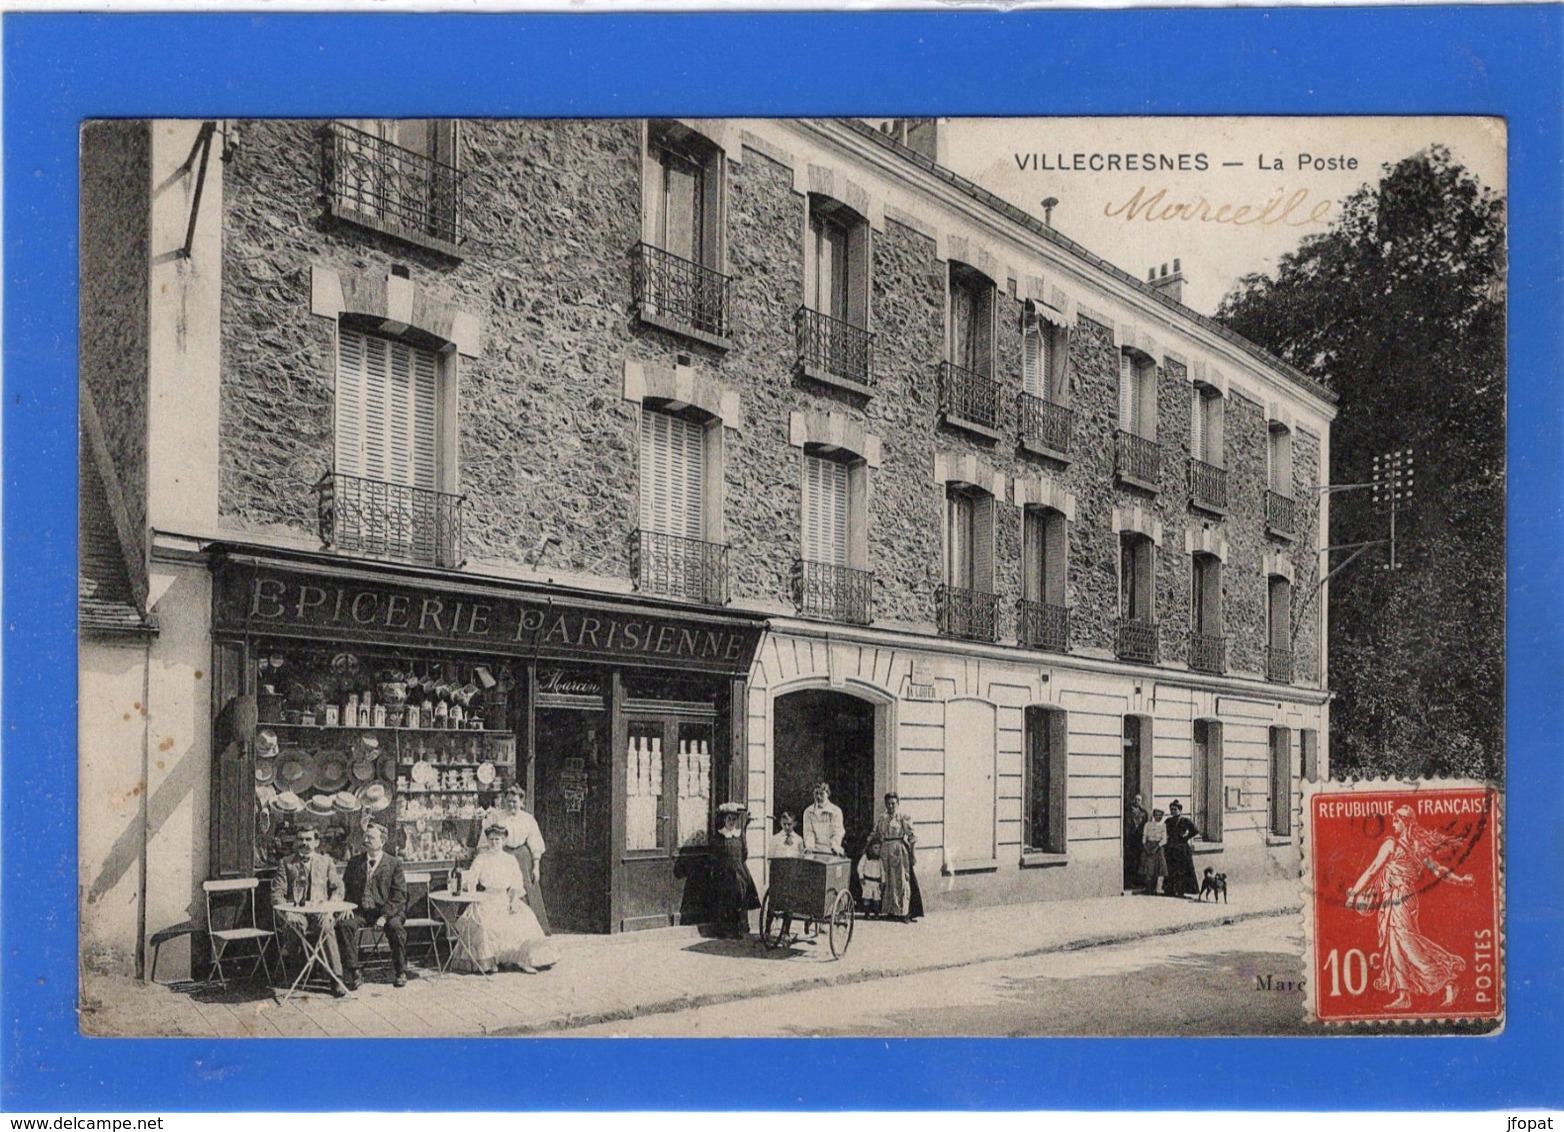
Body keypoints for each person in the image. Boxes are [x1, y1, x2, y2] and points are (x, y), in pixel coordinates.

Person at [1346, 805, 1473, 1009]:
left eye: (1396, 820)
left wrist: (1354, 893)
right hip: (1395, 899)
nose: (1393, 824)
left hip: (1401, 898)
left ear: (1404, 822)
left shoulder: (1394, 845)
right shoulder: (1413, 845)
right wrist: (1461, 880)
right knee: (1395, 945)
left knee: (1406, 943)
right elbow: (1438, 870)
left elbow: (1372, 870)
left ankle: (1447, 978)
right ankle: (1404, 995)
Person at [453, 823, 558, 974]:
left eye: (497, 839)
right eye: (491, 839)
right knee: (485, 924)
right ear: (487, 840)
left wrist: (514, 901)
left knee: (524, 921)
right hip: (486, 899)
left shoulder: (510, 859)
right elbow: (472, 879)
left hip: (505, 898)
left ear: (503, 840)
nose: (494, 843)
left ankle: (523, 959)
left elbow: (516, 883)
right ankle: (490, 961)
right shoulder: (481, 859)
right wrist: (471, 889)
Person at [269, 826, 347, 996]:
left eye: (308, 839)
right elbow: (277, 892)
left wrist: (331, 905)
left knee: (327, 927)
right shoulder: (286, 863)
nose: (304, 843)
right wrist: (287, 912)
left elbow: (338, 887)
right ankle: (295, 972)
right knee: (293, 927)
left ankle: (336, 978)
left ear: (317, 842)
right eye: (301, 839)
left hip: (319, 911)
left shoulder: (326, 862)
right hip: (296, 912)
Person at [334, 823, 408, 989]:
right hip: (361, 910)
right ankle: (354, 971)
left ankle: (400, 970)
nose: (366, 840)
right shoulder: (355, 863)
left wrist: (384, 916)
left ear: (382, 842)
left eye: (371, 837)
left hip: (388, 911)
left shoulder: (394, 864)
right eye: (365, 837)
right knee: (343, 925)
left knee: (395, 927)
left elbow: (399, 896)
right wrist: (345, 906)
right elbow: (345, 889)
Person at [483, 783, 551, 934]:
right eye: (508, 801)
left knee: (525, 893)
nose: (511, 805)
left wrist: (536, 866)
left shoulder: (528, 819)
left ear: (522, 802)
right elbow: (486, 837)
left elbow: (535, 842)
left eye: (514, 801)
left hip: (522, 859)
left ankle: (529, 932)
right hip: (502, 857)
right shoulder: (497, 816)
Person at [867, 792, 922, 922]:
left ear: (897, 804)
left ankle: (903, 912)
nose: (891, 806)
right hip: (885, 849)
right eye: (888, 804)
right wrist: (867, 846)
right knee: (888, 880)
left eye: (893, 803)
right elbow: (875, 833)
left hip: (899, 849)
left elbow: (912, 837)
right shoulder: (882, 818)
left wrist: (913, 854)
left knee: (901, 879)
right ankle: (890, 910)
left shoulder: (902, 818)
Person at [711, 802, 760, 937]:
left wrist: (738, 866)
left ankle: (739, 929)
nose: (731, 822)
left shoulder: (739, 836)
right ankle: (725, 930)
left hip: (739, 871)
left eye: (734, 819)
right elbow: (715, 856)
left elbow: (744, 853)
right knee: (725, 900)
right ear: (724, 820)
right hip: (724, 871)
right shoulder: (720, 837)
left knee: (740, 897)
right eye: (729, 819)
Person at [1163, 800, 1201, 898]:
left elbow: (1195, 830)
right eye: (1171, 809)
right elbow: (1163, 832)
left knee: (1182, 870)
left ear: (1180, 810)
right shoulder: (1168, 821)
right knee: (1171, 869)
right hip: (1171, 848)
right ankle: (1169, 890)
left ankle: (1181, 891)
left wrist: (1186, 837)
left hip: (1182, 849)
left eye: (1175, 809)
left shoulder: (1185, 821)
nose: (1173, 811)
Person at [802, 782, 845, 856]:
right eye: (816, 793)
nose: (818, 797)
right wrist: (809, 847)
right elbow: (808, 832)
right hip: (814, 851)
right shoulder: (808, 812)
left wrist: (835, 847)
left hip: (831, 850)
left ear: (828, 794)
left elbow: (837, 832)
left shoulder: (836, 811)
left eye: (822, 794)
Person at [1141, 807, 1168, 896]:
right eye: (1156, 815)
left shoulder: (1163, 826)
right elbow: (1144, 836)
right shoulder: (1148, 824)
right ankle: (1148, 888)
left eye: (1160, 815)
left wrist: (1157, 847)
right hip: (1148, 846)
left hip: (1158, 847)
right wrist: (1145, 845)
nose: (1158, 817)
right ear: (1153, 815)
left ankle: (1156, 888)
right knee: (1148, 868)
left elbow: (1164, 839)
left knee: (1158, 869)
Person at [1124, 794, 1149, 889]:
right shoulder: (1129, 811)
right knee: (1130, 861)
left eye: (1139, 800)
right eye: (1135, 799)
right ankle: (1129, 882)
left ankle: (1138, 882)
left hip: (1139, 840)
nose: (1137, 801)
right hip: (1130, 840)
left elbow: (1146, 823)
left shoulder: (1143, 813)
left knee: (1139, 861)